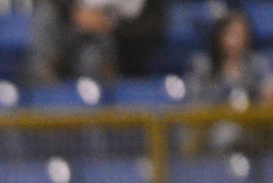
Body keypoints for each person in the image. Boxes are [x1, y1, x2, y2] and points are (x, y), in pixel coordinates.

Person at [187, 10, 273, 155]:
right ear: (220, 36)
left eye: (242, 35)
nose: (238, 40)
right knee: (226, 134)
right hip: (215, 129)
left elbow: (268, 90)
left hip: (253, 128)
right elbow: (196, 104)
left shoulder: (257, 63)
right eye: (232, 34)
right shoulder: (204, 66)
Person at [28, 0, 166, 85]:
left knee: (90, 58)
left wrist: (110, 26)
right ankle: (44, 78)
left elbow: (153, 27)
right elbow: (62, 7)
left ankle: (93, 122)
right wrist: (76, 13)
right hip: (74, 39)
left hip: (120, 49)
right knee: (45, 14)